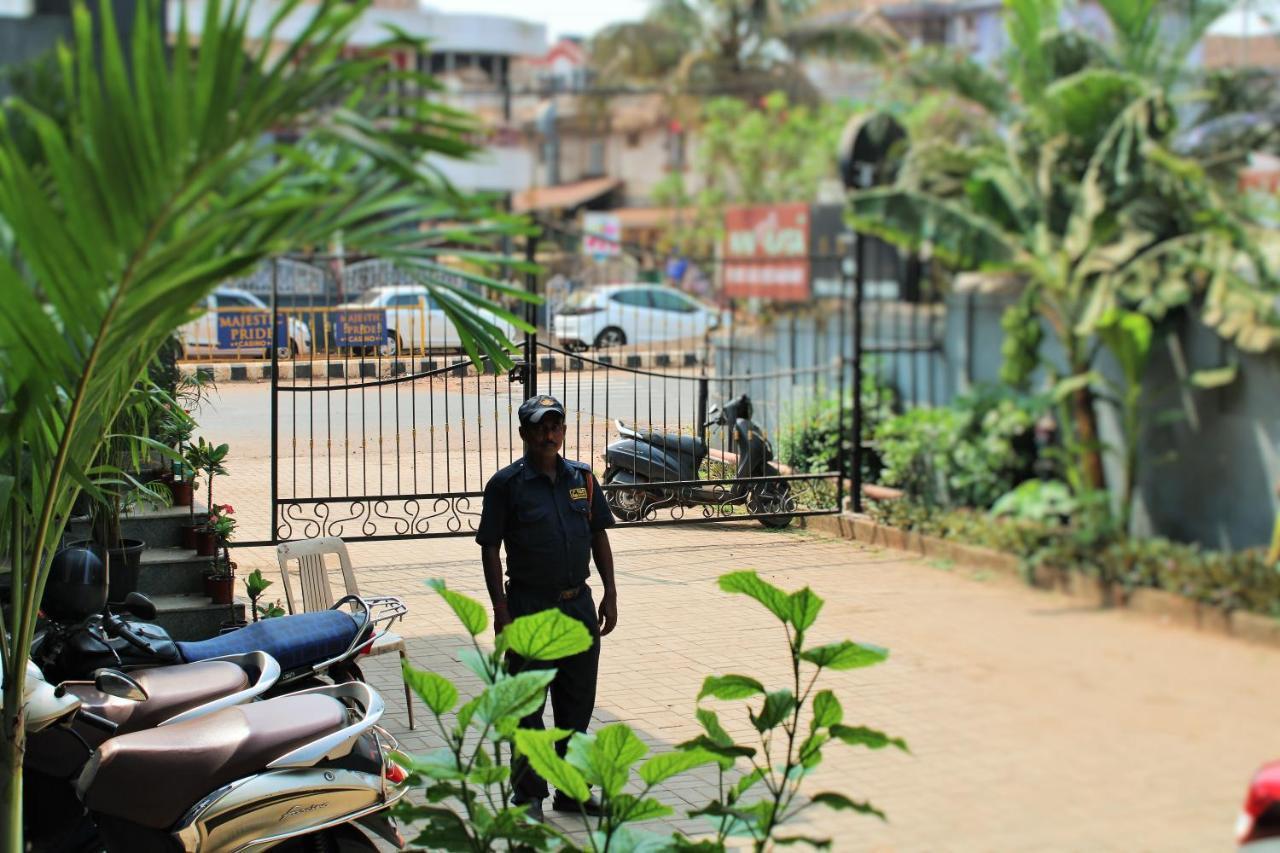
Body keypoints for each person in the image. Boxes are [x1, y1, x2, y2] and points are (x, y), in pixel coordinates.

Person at [475, 394, 618, 822]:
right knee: (529, 708)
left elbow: (599, 536)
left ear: (563, 432)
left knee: (576, 706)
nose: (548, 433)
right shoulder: (506, 486)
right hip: (529, 608)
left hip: (579, 607)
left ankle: (573, 790)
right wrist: (500, 610)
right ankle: (528, 796)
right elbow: (489, 548)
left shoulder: (583, 479)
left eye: (555, 425)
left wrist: (611, 591)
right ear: (524, 433)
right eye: (540, 426)